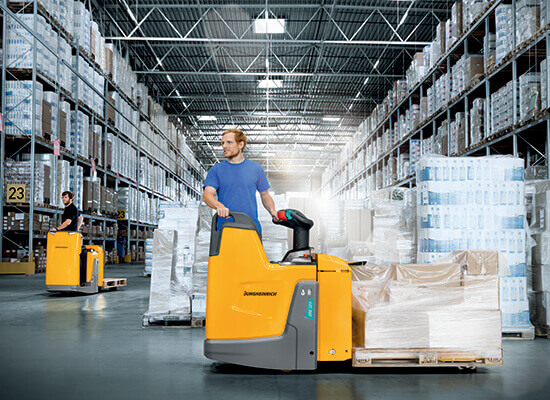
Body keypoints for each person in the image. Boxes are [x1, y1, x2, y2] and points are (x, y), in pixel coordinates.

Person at [202, 128, 279, 238]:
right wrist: (219, 206)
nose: (224, 146)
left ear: (240, 144)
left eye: (229, 142)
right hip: (225, 228)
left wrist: (272, 211)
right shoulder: (216, 170)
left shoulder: (256, 169)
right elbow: (207, 195)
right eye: (223, 143)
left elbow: (265, 195)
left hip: (251, 228)